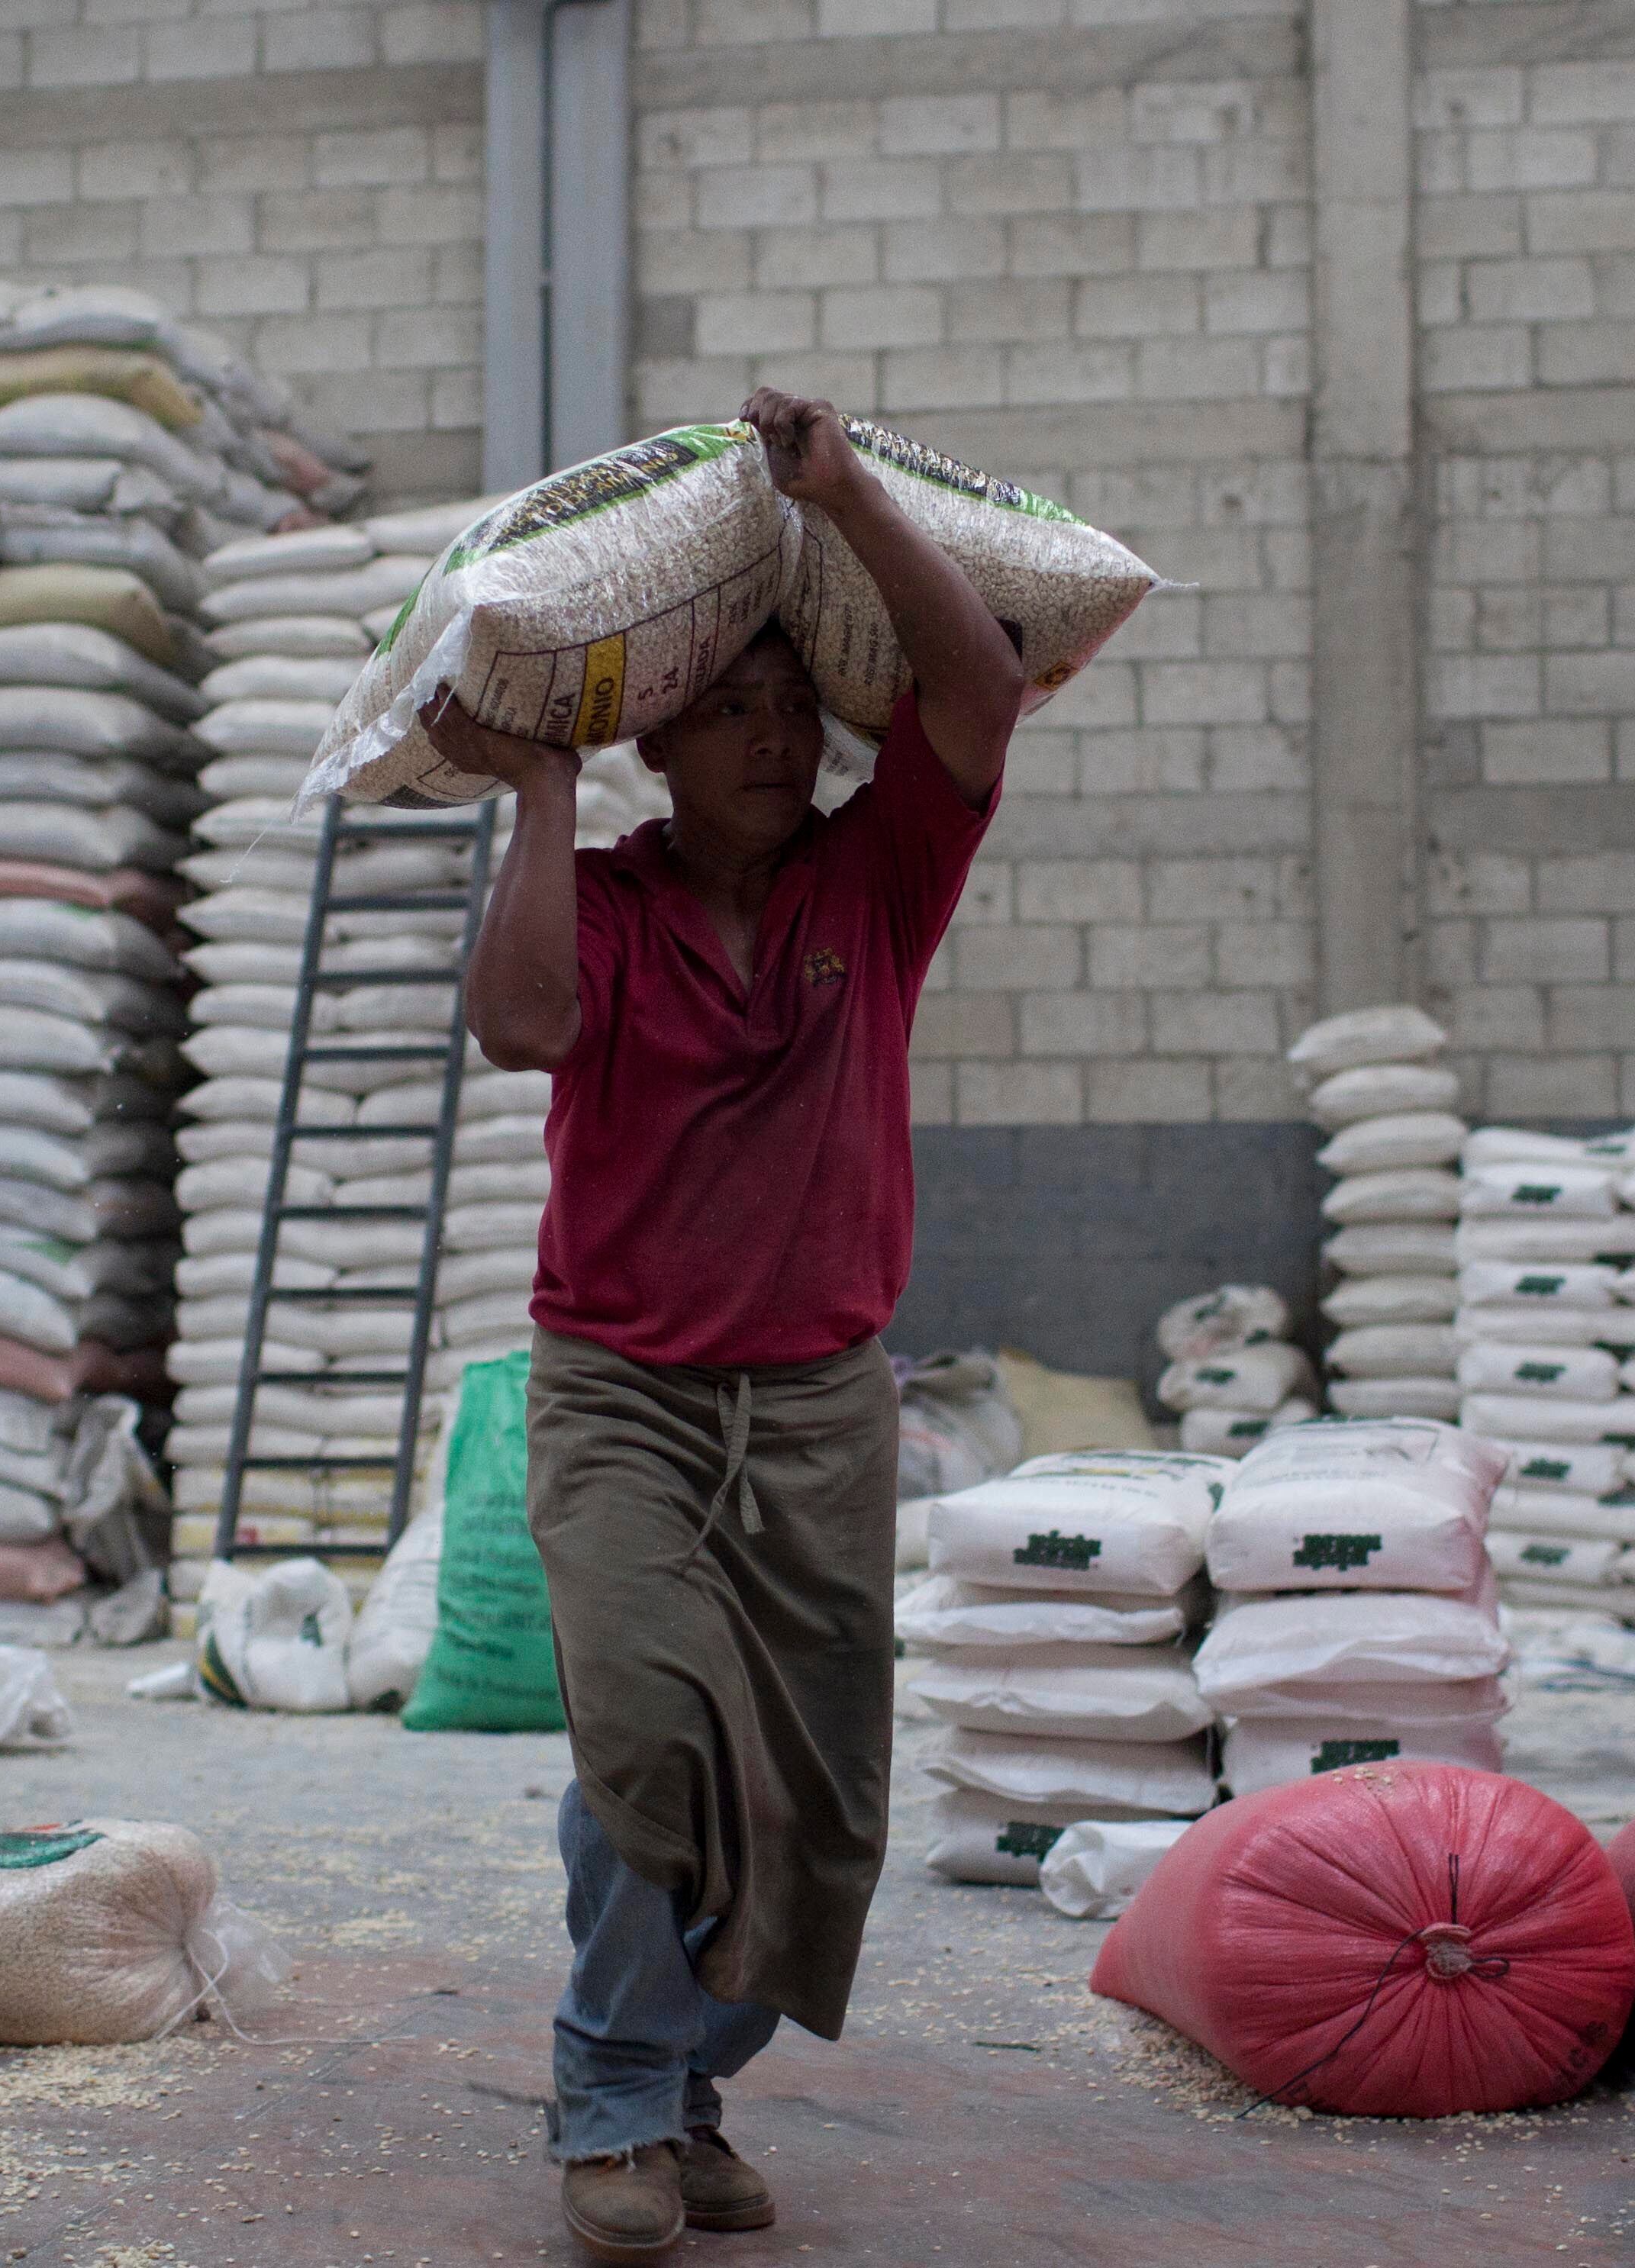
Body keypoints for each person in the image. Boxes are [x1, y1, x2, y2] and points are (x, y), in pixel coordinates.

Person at [427, 388, 1020, 2264]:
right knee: (648, 1737)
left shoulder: (879, 877)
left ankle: (686, 2085)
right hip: (623, 1397)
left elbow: (981, 697)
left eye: (791, 705)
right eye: (728, 708)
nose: (773, 734)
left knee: (813, 1811)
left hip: (828, 1405)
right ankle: (608, 2093)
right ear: (654, 742)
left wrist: (837, 490)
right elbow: (516, 1032)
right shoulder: (599, 908)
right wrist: (532, 785)